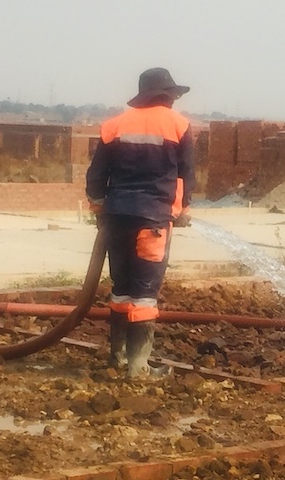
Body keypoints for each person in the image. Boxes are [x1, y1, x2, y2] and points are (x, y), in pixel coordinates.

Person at [86, 67, 194, 379]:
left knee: (120, 289)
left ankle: (118, 358)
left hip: (116, 218)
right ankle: (139, 367)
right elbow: (187, 175)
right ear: (167, 96)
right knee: (144, 292)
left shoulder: (114, 125)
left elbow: (96, 175)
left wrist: (99, 209)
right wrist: (180, 210)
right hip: (153, 220)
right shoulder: (179, 125)